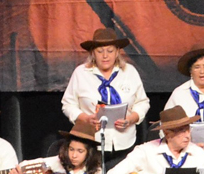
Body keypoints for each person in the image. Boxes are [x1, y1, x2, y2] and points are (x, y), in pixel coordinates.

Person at [61, 28, 149, 161]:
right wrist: (85, 118)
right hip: (92, 141)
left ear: (117, 52)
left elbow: (142, 102)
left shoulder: (129, 72)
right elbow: (68, 104)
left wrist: (131, 119)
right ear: (93, 53)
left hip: (124, 141)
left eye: (110, 51)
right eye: (100, 51)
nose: (105, 56)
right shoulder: (81, 73)